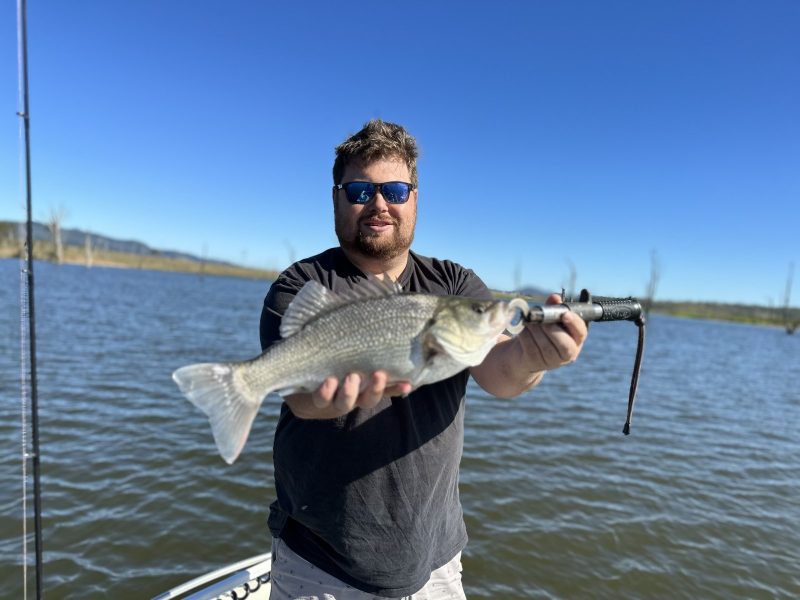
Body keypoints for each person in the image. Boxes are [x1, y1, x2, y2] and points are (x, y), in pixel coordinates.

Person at [260, 119, 587, 600]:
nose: (378, 204)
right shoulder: (301, 285)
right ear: (335, 199)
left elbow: (500, 369)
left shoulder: (454, 285)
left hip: (435, 562)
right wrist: (323, 399)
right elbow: (298, 396)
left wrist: (532, 356)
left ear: (415, 198)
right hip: (318, 562)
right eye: (359, 191)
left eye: (394, 190)